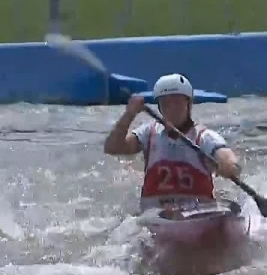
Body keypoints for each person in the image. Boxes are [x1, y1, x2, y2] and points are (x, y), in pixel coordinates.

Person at [103, 73, 241, 212]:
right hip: (155, 214)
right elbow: (112, 147)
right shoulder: (148, 132)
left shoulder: (204, 137)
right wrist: (129, 114)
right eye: (165, 103)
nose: (171, 109)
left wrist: (228, 165)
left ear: (188, 104)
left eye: (177, 102)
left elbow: (227, 158)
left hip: (198, 213)